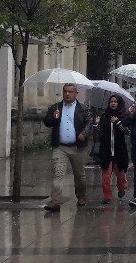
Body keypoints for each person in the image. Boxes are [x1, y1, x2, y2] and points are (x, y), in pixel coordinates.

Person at [42, 83, 93, 211]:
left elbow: (89, 123)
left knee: (79, 175)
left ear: (76, 93)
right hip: (60, 147)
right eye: (65, 91)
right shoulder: (56, 107)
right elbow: (47, 122)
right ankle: (55, 201)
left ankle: (81, 196)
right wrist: (54, 117)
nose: (67, 94)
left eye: (70, 92)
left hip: (78, 148)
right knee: (58, 174)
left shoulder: (83, 108)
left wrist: (83, 133)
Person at [97, 95, 129, 204]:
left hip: (119, 151)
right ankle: (107, 196)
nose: (113, 103)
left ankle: (121, 188)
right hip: (106, 151)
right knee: (106, 176)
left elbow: (127, 131)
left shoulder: (123, 116)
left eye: (115, 102)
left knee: (120, 176)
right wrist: (97, 124)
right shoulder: (104, 116)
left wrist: (118, 122)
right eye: (111, 101)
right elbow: (99, 134)